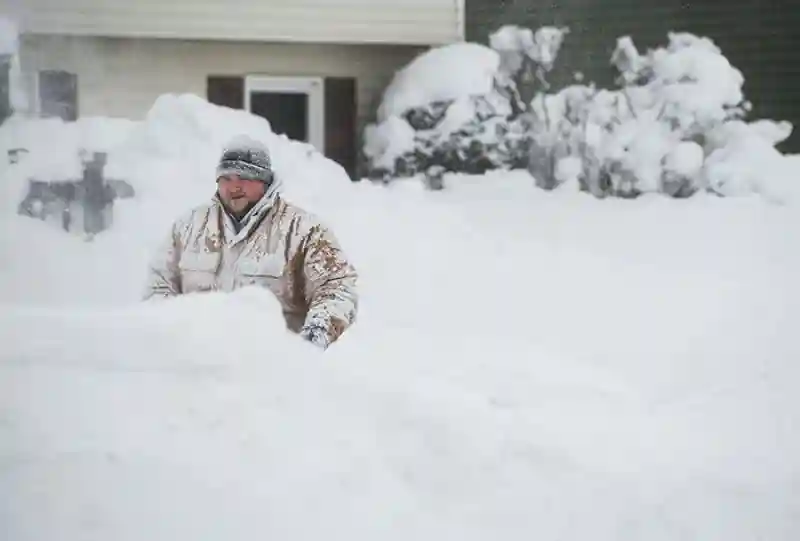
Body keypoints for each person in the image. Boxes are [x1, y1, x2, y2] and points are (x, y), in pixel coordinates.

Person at [143, 135, 358, 349]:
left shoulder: (304, 230)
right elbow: (160, 284)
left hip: (271, 365)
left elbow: (337, 286)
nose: (234, 186)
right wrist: (167, 337)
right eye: (226, 178)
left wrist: (314, 337)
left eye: (244, 178)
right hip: (199, 365)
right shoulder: (188, 227)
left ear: (264, 182)